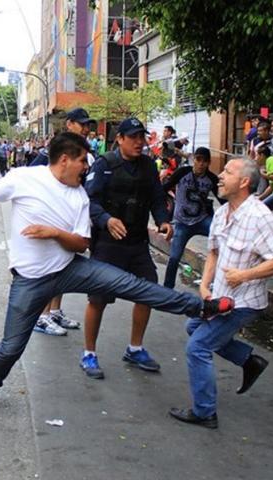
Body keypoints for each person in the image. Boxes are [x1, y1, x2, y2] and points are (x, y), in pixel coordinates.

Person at [0, 132, 235, 408]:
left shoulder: (78, 196)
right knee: (11, 346)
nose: (86, 169)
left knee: (135, 286)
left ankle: (201, 307)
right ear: (64, 159)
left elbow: (81, 244)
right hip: (30, 282)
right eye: (82, 162)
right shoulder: (23, 178)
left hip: (70, 268)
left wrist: (53, 233)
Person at [169, 157, 273, 429]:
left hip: (244, 302)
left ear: (244, 182)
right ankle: (249, 360)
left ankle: (205, 412)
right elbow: (213, 251)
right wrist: (204, 284)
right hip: (219, 297)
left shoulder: (259, 216)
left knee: (198, 347)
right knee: (193, 328)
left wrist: (244, 275)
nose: (220, 176)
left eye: (227, 172)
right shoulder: (222, 213)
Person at [81, 118, 173, 379]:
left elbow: (157, 198)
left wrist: (163, 221)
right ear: (119, 138)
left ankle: (135, 348)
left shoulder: (147, 166)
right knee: (98, 299)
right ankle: (89, 353)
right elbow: (89, 200)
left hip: (136, 243)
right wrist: (106, 220)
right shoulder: (105, 165)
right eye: (132, 137)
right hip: (108, 244)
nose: (138, 142)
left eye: (141, 137)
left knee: (148, 292)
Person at [30, 108, 96, 335]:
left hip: (74, 220)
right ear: (69, 124)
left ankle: (55, 311)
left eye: (87, 125)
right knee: (50, 269)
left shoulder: (87, 153)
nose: (86, 128)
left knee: (65, 265)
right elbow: (34, 178)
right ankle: (42, 315)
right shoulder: (54, 151)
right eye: (82, 124)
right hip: (54, 220)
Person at [162, 147, 224, 289]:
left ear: (209, 163)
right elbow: (164, 188)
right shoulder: (183, 172)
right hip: (182, 223)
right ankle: (167, 289)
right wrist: (164, 216)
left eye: (204, 161)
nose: (201, 164)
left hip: (202, 220)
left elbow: (222, 201)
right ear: (193, 159)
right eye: (198, 160)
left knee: (223, 239)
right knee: (174, 257)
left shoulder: (211, 179)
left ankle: (220, 282)